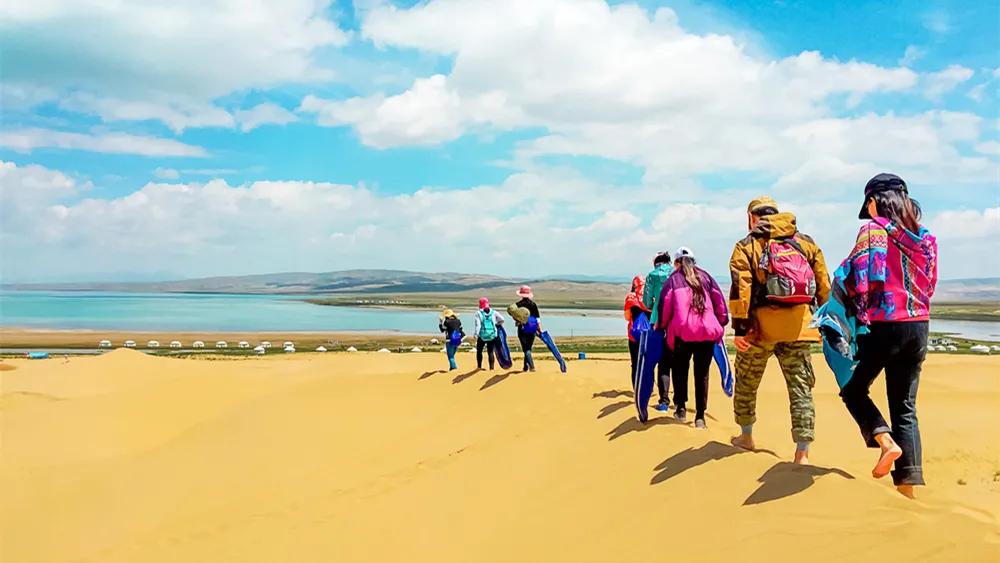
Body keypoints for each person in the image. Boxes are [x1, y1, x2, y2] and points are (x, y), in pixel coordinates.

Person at [837, 174, 937, 498]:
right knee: (905, 408)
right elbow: (930, 287)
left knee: (853, 391)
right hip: (919, 325)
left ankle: (884, 439)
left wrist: (853, 308)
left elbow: (864, 278)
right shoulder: (925, 238)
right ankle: (908, 491)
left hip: (885, 324)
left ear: (874, 201)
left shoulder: (872, 230)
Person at [729, 196, 830, 464]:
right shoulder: (805, 242)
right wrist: (824, 322)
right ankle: (802, 452)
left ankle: (746, 436)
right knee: (801, 387)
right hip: (799, 328)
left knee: (747, 382)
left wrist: (740, 328)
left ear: (751, 217)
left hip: (759, 330)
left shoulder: (747, 245)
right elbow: (824, 285)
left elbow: (741, 287)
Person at [656, 247, 728, 428]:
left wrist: (662, 326)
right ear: (694, 261)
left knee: (680, 370)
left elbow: (665, 306)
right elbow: (719, 301)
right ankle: (700, 416)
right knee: (702, 374)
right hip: (706, 333)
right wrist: (720, 321)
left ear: (677, 262)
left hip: (683, 333)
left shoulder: (673, 280)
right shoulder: (706, 277)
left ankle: (680, 407)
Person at [643, 252, 674, 412]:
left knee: (663, 363)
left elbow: (647, 302)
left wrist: (654, 304)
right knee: (679, 364)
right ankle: (680, 404)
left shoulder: (652, 276)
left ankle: (663, 402)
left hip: (658, 322)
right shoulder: (678, 273)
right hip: (679, 323)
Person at [624, 275, 650, 387]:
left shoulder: (631, 297)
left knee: (635, 363)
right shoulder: (650, 297)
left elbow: (627, 316)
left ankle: (636, 388)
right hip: (649, 336)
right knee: (649, 363)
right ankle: (648, 387)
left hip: (634, 335)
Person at [513, 285, 542, 372]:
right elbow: (537, 319)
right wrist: (539, 329)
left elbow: (514, 317)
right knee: (528, 348)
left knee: (526, 349)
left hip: (522, 328)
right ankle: (525, 367)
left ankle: (531, 366)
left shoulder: (517, 305)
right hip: (532, 328)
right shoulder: (533, 304)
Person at [473, 297, 504, 371]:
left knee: (479, 351)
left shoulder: (478, 313)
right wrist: (497, 324)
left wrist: (476, 334)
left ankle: (479, 367)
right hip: (492, 335)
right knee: (490, 351)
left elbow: (478, 325)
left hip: (482, 335)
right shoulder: (493, 312)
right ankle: (491, 368)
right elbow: (502, 319)